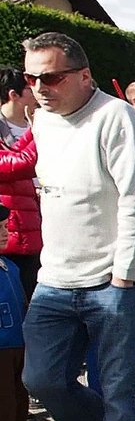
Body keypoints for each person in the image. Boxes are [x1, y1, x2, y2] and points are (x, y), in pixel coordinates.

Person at [22, 32, 135, 421]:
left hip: (113, 281)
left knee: (121, 390)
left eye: (51, 76)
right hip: (56, 276)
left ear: (84, 75)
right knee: (40, 378)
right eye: (30, 77)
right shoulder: (42, 118)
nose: (39, 86)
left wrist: (125, 273)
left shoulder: (117, 118)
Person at [0, 244, 48, 421]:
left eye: (4, 226)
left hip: (16, 341)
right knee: (2, 401)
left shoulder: (9, 266)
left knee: (17, 395)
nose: (4, 232)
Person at [0, 68, 41, 300]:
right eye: (29, 87)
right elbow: (21, 163)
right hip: (11, 237)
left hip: (27, 232)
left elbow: (14, 154)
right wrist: (38, 130)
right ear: (13, 94)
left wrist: (31, 129)